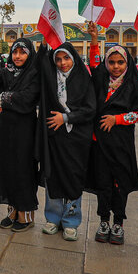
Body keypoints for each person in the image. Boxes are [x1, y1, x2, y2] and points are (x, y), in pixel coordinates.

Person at [86, 22, 138, 245]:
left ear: (127, 63)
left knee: (119, 182)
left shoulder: (132, 85)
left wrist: (117, 119)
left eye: (121, 62)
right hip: (100, 142)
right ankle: (104, 220)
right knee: (103, 182)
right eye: (112, 62)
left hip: (121, 143)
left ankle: (118, 222)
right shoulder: (102, 80)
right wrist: (94, 39)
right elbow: (93, 65)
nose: (116, 66)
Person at [0, 34, 40, 232]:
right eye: (15, 51)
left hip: (25, 130)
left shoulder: (34, 73)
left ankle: (26, 215)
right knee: (8, 168)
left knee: (23, 169)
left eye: (23, 52)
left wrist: (3, 98)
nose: (18, 56)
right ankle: (12, 211)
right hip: (5, 128)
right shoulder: (8, 72)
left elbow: (28, 98)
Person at [37, 42, 96, 242]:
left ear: (74, 59)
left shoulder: (84, 79)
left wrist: (66, 118)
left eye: (67, 58)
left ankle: (71, 220)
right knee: (52, 176)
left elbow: (90, 110)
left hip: (76, 139)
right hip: (55, 138)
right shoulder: (50, 80)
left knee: (73, 178)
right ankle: (53, 218)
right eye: (58, 59)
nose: (62, 63)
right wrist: (45, 43)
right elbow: (40, 63)